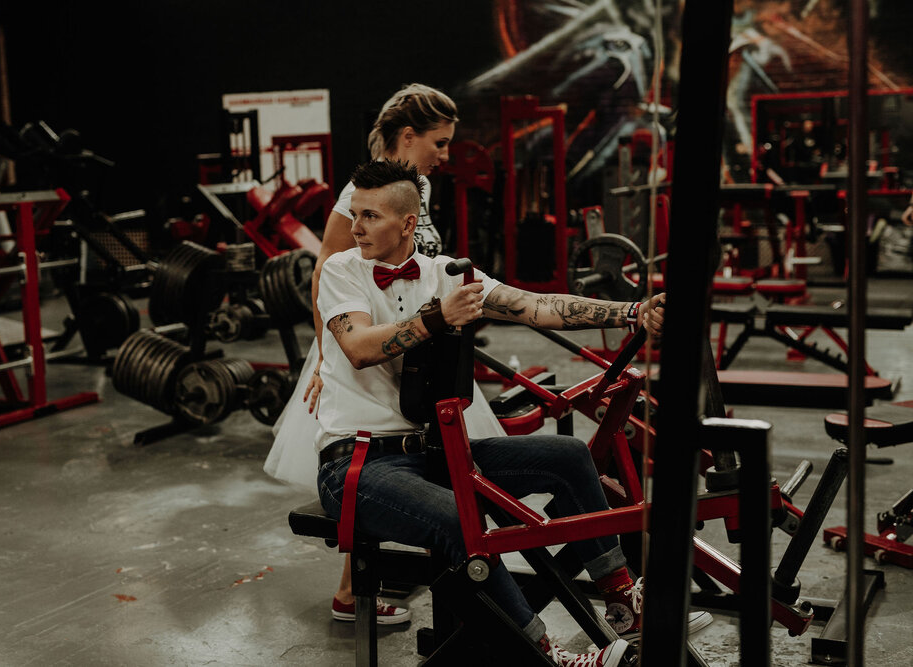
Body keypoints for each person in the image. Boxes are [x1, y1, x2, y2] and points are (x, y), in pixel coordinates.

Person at [315, 159, 663, 666]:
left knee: (567, 456)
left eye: (370, 216)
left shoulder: (445, 274)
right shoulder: (342, 271)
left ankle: (622, 598)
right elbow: (361, 347)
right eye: (356, 214)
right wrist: (437, 317)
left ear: (408, 223)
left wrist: (633, 312)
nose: (356, 227)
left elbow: (536, 307)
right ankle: (545, 655)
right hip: (358, 464)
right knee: (460, 521)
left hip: (431, 455)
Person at [264, 83, 505, 625]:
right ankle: (353, 593)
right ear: (408, 136)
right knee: (373, 460)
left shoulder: (412, 188)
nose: (445, 155)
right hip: (365, 343)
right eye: (438, 143)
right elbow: (327, 269)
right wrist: (328, 358)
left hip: (423, 350)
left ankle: (440, 574)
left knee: (428, 461)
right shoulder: (364, 191)